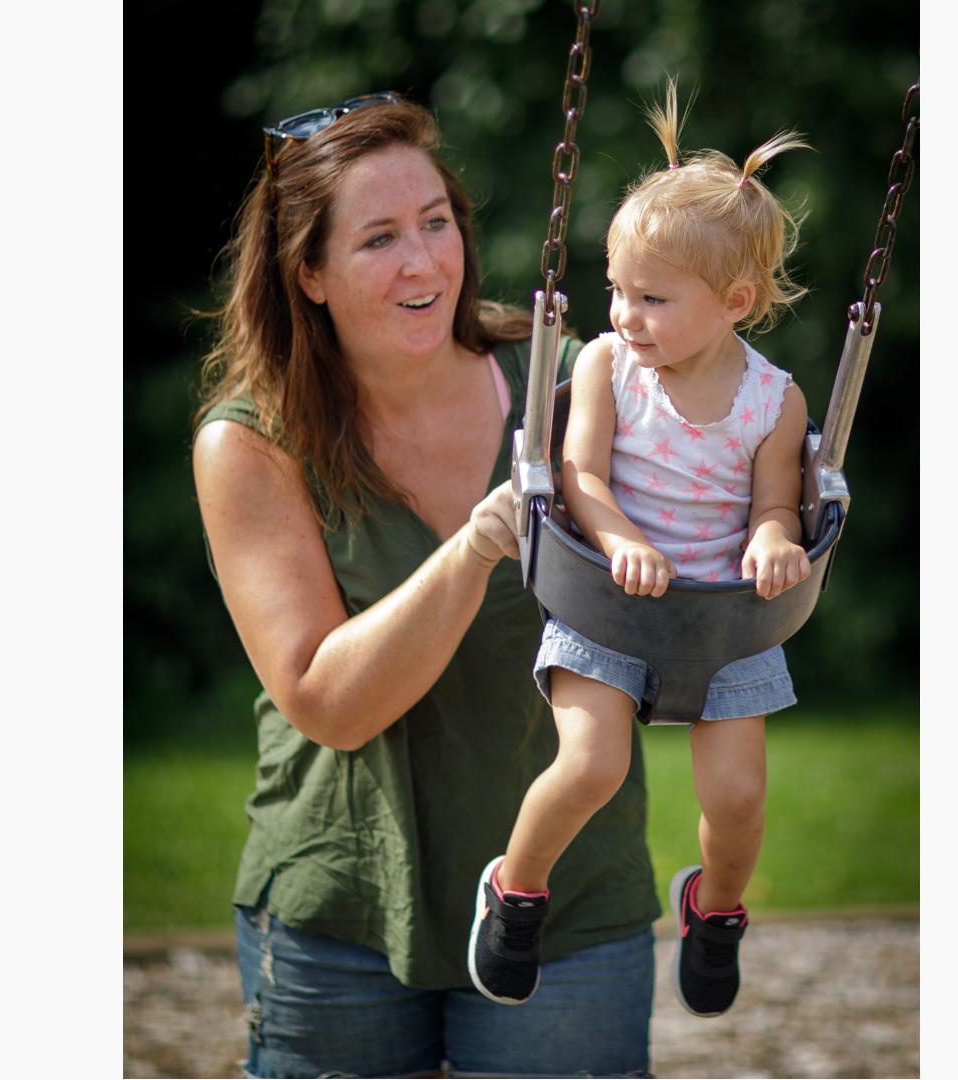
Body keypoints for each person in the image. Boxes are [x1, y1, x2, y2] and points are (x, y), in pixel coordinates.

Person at [191, 92, 661, 1078]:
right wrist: (482, 541)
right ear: (308, 273)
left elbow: (705, 504)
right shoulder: (251, 444)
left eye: (436, 222)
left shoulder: (569, 387)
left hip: (563, 902)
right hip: (344, 907)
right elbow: (328, 698)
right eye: (379, 239)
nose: (423, 262)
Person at [468, 81, 812, 1019]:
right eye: (616, 289)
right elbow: (577, 476)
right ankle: (518, 890)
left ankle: (715, 910)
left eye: (652, 298)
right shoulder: (604, 365)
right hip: (607, 603)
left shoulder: (773, 402)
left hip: (725, 621)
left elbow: (777, 502)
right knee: (591, 766)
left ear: (734, 301)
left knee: (739, 799)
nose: (624, 313)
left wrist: (776, 539)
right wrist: (620, 540)